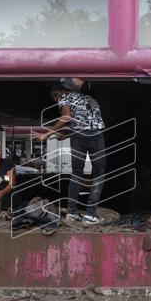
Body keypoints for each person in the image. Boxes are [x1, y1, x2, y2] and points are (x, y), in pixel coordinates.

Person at [36, 84, 106, 224]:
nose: (57, 103)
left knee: (76, 174)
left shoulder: (64, 96)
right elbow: (87, 124)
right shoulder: (89, 99)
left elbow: (66, 117)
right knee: (98, 175)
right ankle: (90, 215)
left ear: (58, 94)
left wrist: (47, 134)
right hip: (96, 135)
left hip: (80, 137)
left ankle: (72, 213)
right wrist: (68, 134)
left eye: (55, 100)